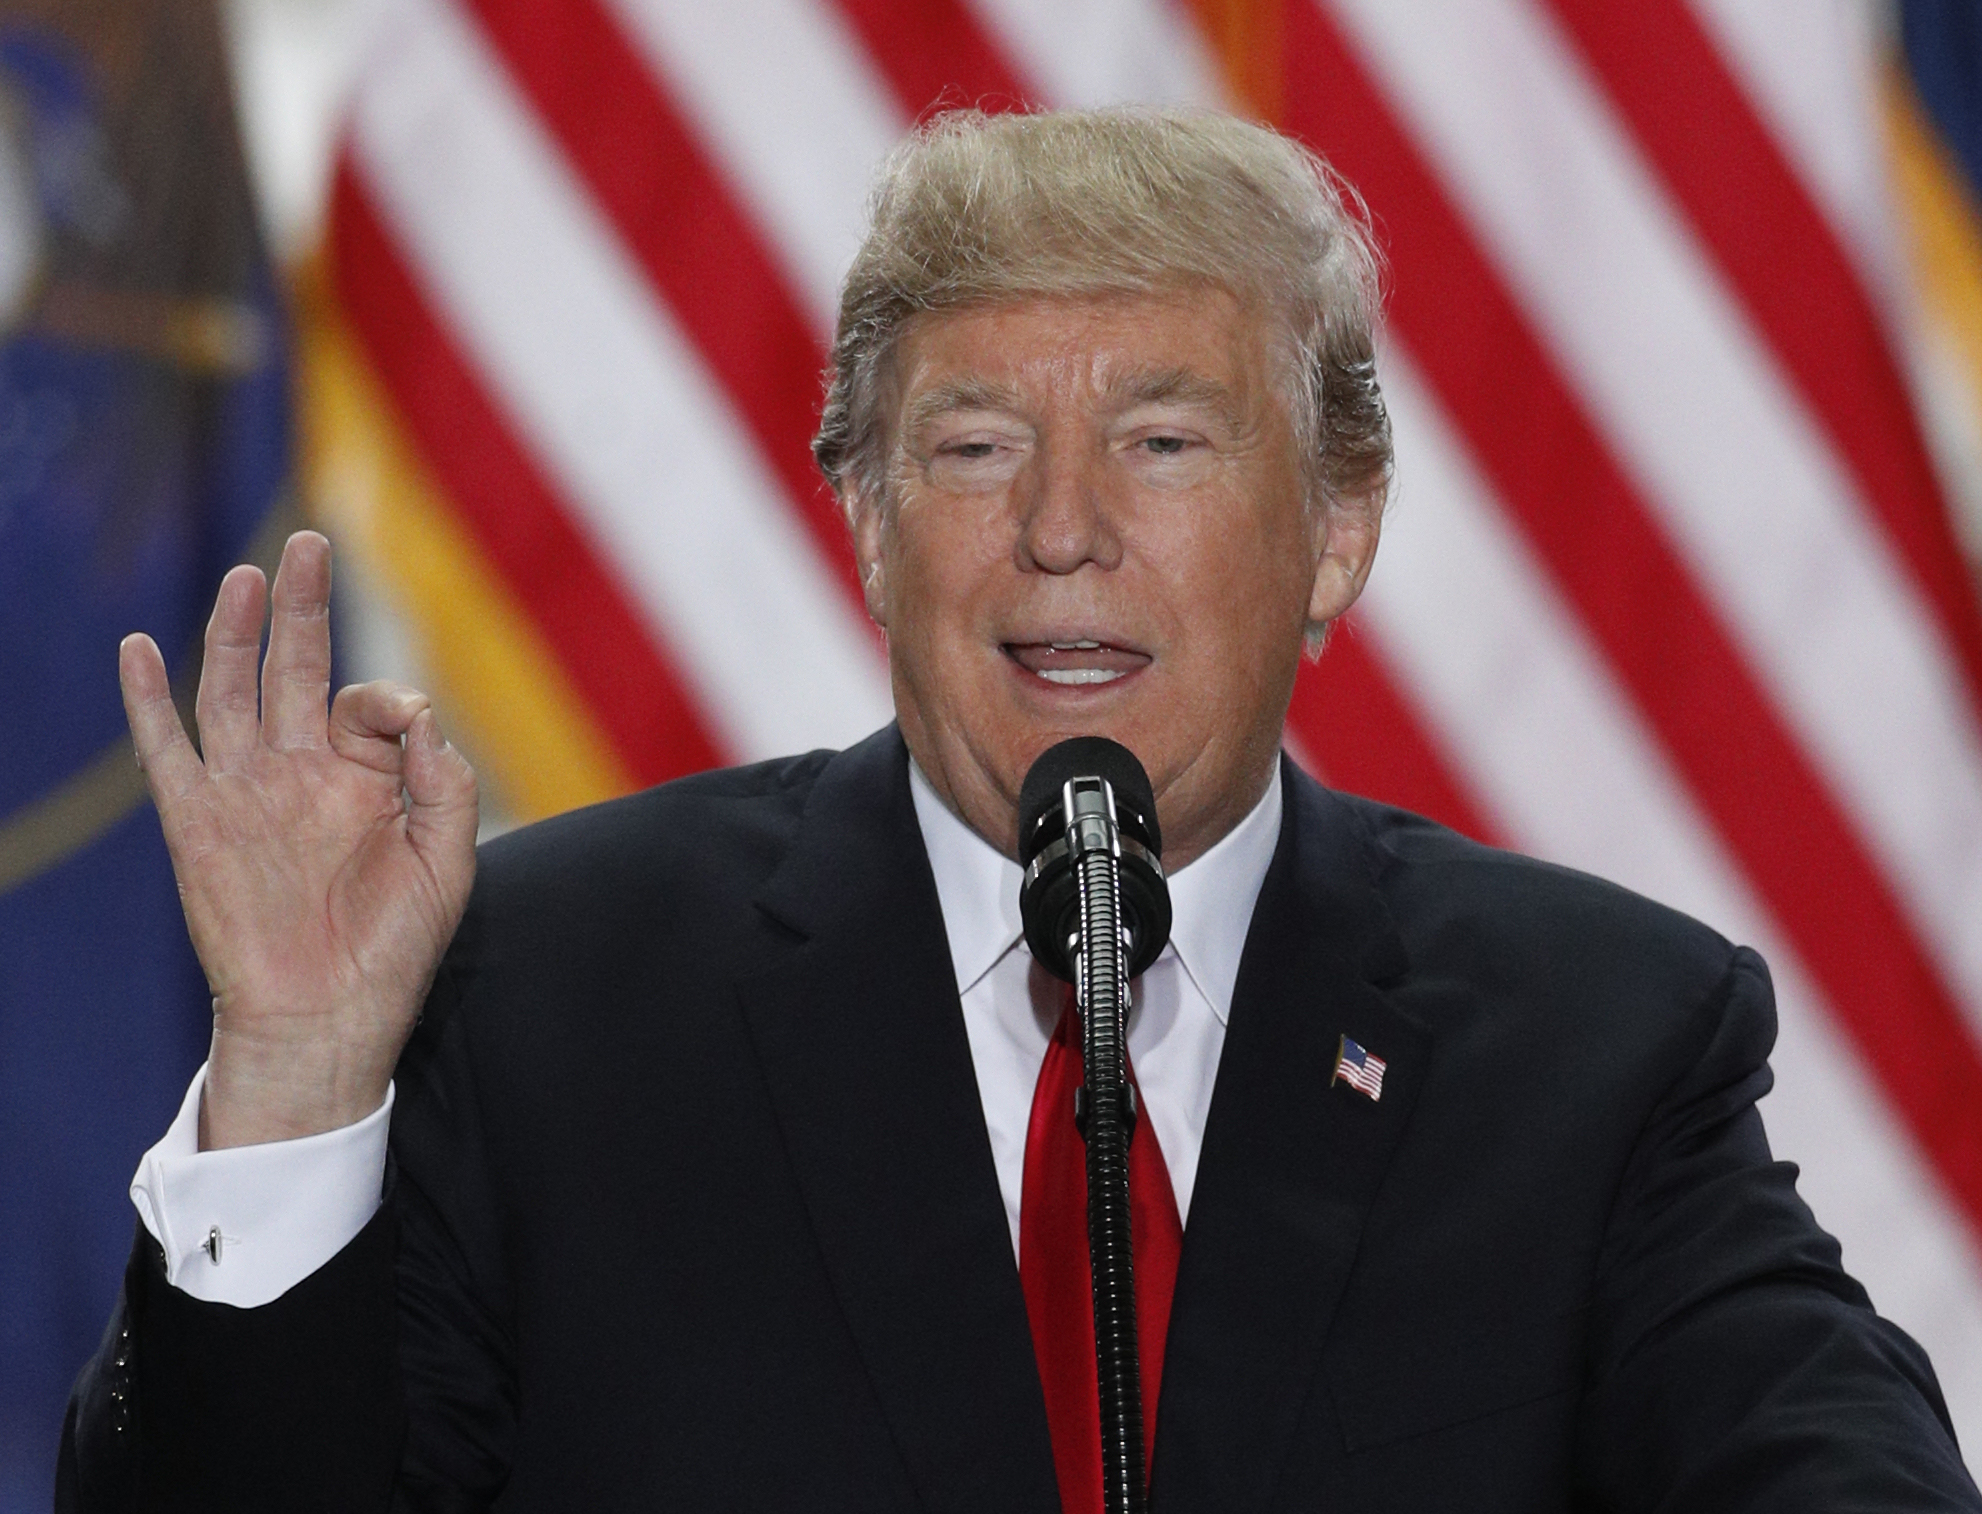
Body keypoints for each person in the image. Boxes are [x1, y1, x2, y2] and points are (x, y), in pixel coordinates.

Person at [60, 108, 1980, 1512]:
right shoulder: (544, 995)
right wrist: (301, 1072)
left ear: (1337, 532)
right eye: (973, 448)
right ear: (873, 528)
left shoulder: (1592, 1045)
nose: (1061, 528)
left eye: (1161, 441)